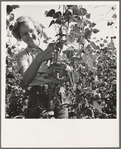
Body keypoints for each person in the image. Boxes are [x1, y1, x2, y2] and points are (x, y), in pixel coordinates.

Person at [12, 16, 70, 118]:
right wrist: (39, 59)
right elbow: (26, 79)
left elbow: (68, 71)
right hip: (37, 97)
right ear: (20, 37)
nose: (29, 35)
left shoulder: (53, 47)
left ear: (37, 30)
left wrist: (65, 69)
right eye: (24, 34)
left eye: (31, 30)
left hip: (58, 95)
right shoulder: (21, 55)